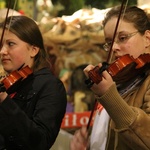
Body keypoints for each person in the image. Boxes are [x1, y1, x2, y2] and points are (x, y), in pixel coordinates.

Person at [70, 5, 150, 150]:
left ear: (147, 38)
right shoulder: (120, 81)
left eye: (122, 38)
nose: (113, 47)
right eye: (109, 42)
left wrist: (109, 96)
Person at [0, 15, 67, 150]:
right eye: (0, 45)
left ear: (33, 50)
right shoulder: (8, 84)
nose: (2, 51)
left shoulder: (51, 86)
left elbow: (40, 142)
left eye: (10, 44)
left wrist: (4, 102)